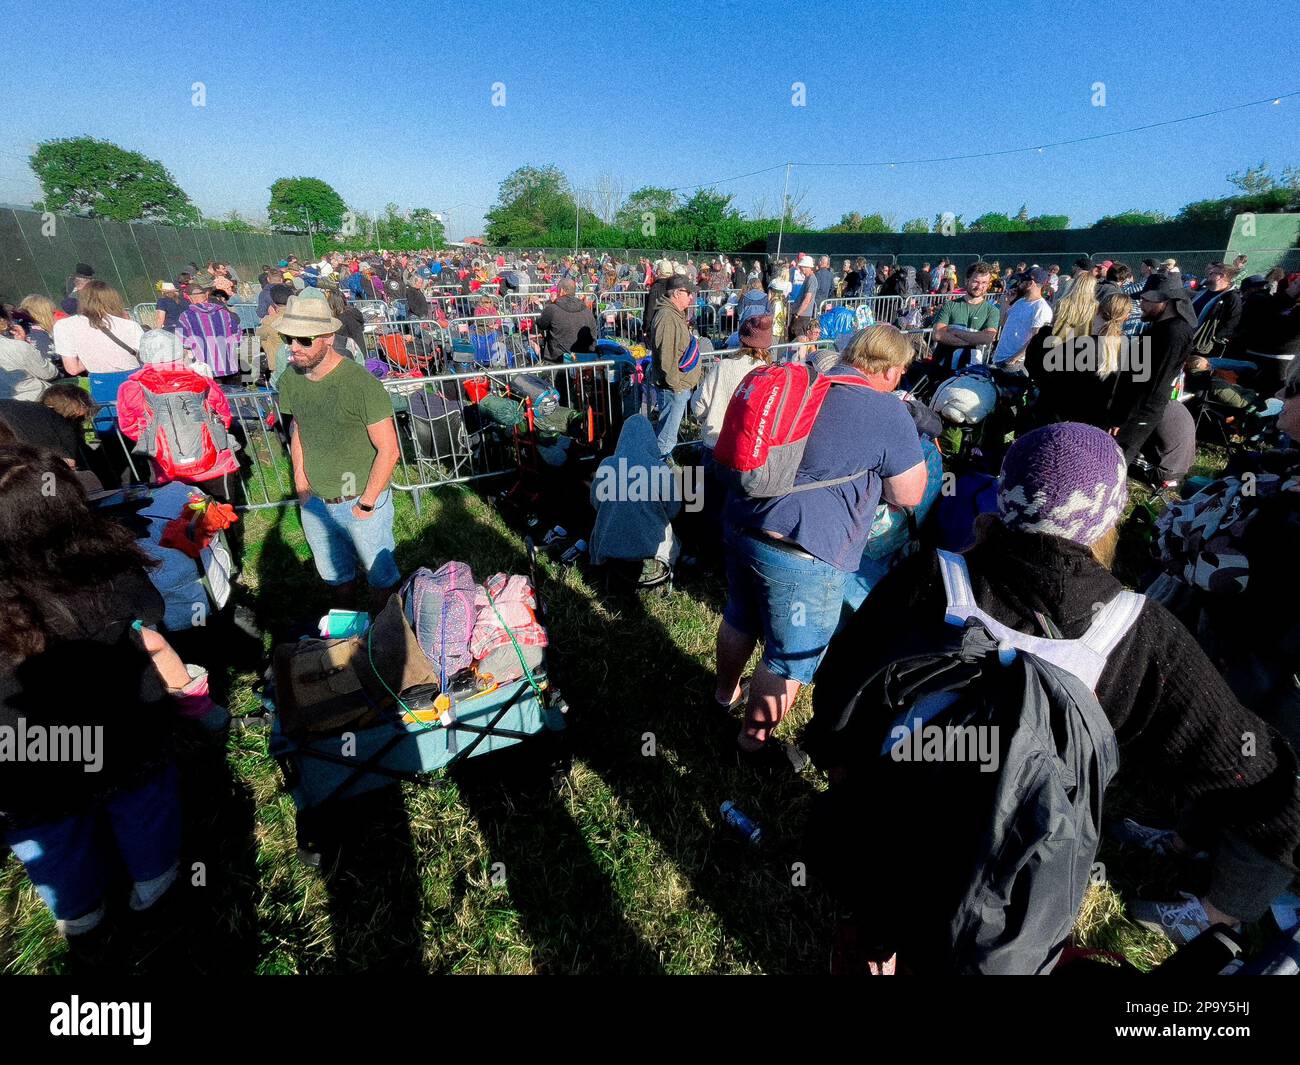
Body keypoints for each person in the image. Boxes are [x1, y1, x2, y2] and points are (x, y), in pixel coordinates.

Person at [813, 422, 1300, 949]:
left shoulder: (929, 576)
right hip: (1014, 878)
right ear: (1106, 520)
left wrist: (840, 764)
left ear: (1005, 496)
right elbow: (1245, 769)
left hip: (890, 827)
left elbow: (842, 689)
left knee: (870, 932)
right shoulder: (1139, 635)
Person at [0, 445, 222, 937]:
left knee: (51, 832)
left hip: (23, 746)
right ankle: (154, 879)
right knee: (140, 804)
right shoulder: (100, 561)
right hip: (118, 719)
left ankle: (79, 911)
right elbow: (151, 610)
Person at [713, 325, 926, 771]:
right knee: (787, 656)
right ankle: (751, 745)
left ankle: (724, 695)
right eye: (902, 371)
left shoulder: (808, 376)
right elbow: (908, 495)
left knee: (740, 614)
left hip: (743, 523)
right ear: (888, 370)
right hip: (806, 553)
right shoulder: (888, 412)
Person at [275, 295, 401, 612]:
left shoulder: (362, 384)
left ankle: (382, 638)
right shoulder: (290, 378)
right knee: (336, 578)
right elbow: (299, 428)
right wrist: (301, 485)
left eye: (304, 339)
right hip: (316, 501)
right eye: (288, 338)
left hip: (360, 498)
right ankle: (347, 633)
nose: (294, 347)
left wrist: (367, 503)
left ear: (329, 338)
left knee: (381, 579)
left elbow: (389, 449)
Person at [116, 330, 240, 501]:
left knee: (182, 520)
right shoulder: (202, 380)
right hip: (216, 462)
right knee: (223, 514)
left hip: (167, 466)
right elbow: (224, 416)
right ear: (178, 351)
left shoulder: (130, 388)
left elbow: (129, 426)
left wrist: (158, 440)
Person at [1111, 275, 1196, 463]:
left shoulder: (1175, 333)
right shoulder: (1160, 327)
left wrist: (1124, 418)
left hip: (1141, 411)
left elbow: (1154, 382)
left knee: (1117, 460)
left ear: (1164, 300)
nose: (1140, 305)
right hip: (1130, 408)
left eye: (1145, 300)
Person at [693, 314, 772, 453]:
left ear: (741, 339)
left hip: (717, 443)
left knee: (706, 475)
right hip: (752, 450)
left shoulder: (723, 366)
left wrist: (711, 417)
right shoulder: (770, 373)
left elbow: (699, 404)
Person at [649, 275, 703, 459]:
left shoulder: (672, 314)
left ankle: (663, 464)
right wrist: (677, 386)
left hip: (676, 386)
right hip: (673, 387)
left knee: (667, 432)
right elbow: (667, 358)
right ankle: (659, 471)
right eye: (688, 293)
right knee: (666, 437)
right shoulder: (667, 317)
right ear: (677, 293)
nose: (691, 298)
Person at [51, 280, 144, 375]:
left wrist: (92, 356)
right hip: (134, 379)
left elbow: (73, 369)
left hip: (100, 382)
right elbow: (147, 357)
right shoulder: (130, 325)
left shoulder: (64, 326)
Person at [929, 262, 1001, 370]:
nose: (980, 286)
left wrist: (955, 332)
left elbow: (987, 337)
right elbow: (938, 334)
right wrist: (974, 341)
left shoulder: (992, 311)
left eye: (984, 283)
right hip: (943, 367)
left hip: (973, 371)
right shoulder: (950, 305)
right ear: (967, 280)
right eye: (976, 282)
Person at [177, 275, 243, 383]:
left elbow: (182, 343)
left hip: (205, 370)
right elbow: (238, 336)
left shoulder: (185, 317)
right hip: (229, 366)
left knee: (214, 399)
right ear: (206, 295)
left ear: (188, 297)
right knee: (236, 398)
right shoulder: (224, 313)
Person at [992, 268, 1053, 369]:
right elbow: (1003, 322)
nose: (1019, 284)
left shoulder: (1041, 308)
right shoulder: (1020, 302)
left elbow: (1036, 340)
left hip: (1015, 364)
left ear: (1030, 283)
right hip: (1000, 358)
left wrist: (1013, 359)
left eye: (1022, 281)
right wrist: (1005, 302)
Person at [536, 278, 597, 364]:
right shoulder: (587, 311)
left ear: (561, 291)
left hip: (557, 360)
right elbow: (594, 335)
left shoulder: (552, 309)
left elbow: (541, 324)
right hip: (583, 359)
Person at [0, 311, 58, 401]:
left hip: (5, 409)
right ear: (2, 321)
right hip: (37, 401)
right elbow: (49, 374)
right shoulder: (17, 347)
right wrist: (23, 343)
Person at [1191, 263, 1243, 356]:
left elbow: (1231, 323)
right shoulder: (1202, 290)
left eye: (1211, 273)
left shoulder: (1231, 298)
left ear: (1221, 276)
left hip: (1201, 348)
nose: (1208, 275)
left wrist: (1214, 338)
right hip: (1185, 338)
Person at [257, 283, 294, 376]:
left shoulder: (270, 321)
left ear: (273, 303)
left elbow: (258, 335)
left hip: (277, 366)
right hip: (296, 364)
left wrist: (271, 316)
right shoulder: (297, 318)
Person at [15, 296, 58, 361]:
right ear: (43, 314)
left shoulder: (23, 329)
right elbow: (48, 365)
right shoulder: (39, 335)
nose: (54, 316)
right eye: (52, 313)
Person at [789, 255, 820, 340]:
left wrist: (797, 314)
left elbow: (807, 299)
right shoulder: (808, 278)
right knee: (795, 341)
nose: (801, 270)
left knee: (799, 341)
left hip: (802, 316)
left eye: (802, 267)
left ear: (807, 267)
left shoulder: (812, 280)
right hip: (801, 315)